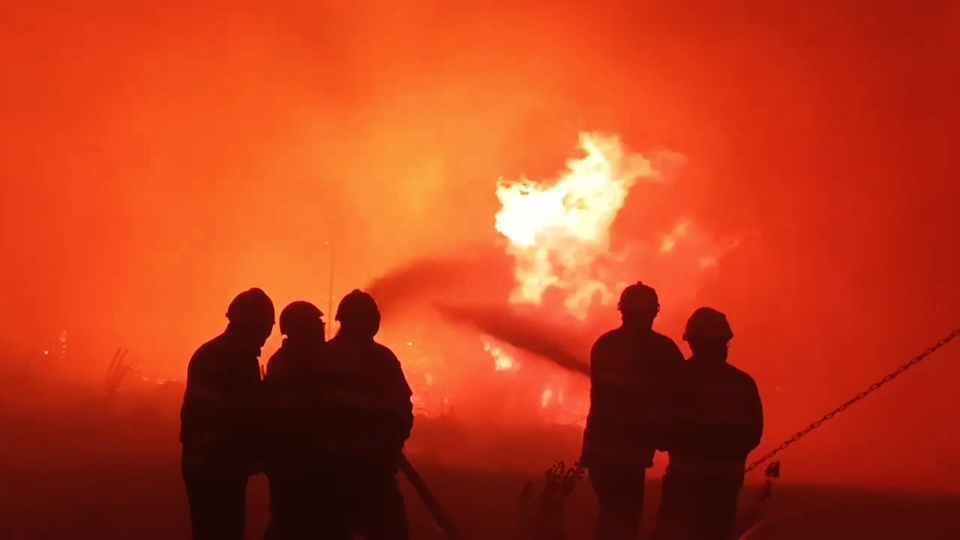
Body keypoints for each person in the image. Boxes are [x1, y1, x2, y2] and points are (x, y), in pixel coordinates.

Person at [581, 282, 686, 540]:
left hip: (599, 449)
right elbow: (681, 396)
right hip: (630, 452)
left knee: (610, 514)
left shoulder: (604, 344)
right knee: (624, 517)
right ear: (654, 312)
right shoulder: (663, 350)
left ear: (622, 310)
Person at [652, 307, 764, 540]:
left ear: (692, 343)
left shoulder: (677, 378)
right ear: (722, 343)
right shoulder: (742, 383)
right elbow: (754, 433)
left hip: (682, 483)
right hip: (724, 486)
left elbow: (660, 432)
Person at [312, 289, 414, 540]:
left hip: (328, 469)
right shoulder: (381, 359)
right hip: (371, 469)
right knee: (388, 531)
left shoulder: (321, 356)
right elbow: (401, 410)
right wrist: (390, 446)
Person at [180, 288, 275, 540]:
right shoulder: (237, 359)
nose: (265, 337)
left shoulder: (212, 353)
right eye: (264, 328)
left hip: (205, 463)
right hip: (219, 465)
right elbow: (240, 414)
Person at [262, 301, 327, 540]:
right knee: (292, 521)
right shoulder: (288, 364)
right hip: (295, 461)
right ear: (302, 329)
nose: (322, 329)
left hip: (299, 460)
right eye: (317, 325)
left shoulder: (290, 361)